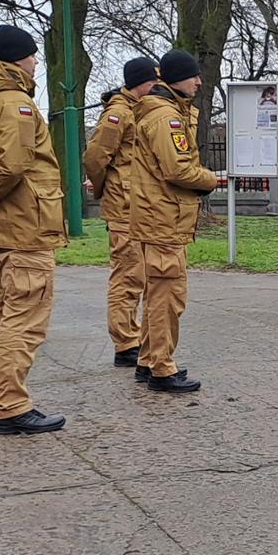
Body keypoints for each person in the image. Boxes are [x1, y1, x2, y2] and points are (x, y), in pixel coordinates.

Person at [0, 25, 67, 434]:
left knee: (3, 313)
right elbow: (15, 164)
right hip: (25, 224)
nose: (37, 61)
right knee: (25, 318)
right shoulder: (16, 103)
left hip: (1, 226)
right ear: (18, 58)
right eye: (33, 54)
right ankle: (11, 406)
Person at [125, 49, 219, 394]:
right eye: (194, 76)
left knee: (158, 293)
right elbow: (178, 169)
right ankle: (162, 368)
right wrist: (212, 179)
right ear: (178, 78)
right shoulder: (167, 118)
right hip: (163, 218)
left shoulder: (162, 111)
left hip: (159, 216)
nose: (198, 82)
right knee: (168, 296)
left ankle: (149, 359)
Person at [82, 56, 159, 369]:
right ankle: (125, 342)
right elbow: (95, 157)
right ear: (143, 82)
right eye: (154, 81)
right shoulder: (119, 113)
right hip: (124, 205)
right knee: (128, 274)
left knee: (139, 274)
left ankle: (132, 338)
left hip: (138, 203)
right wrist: (107, 187)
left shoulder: (138, 110)